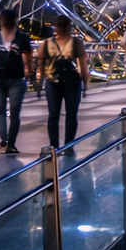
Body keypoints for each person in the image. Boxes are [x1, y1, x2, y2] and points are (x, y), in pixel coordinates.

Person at [0, 9, 33, 154]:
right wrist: (28, 70)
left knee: (2, 112)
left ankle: (6, 141)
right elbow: (28, 54)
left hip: (5, 78)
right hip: (10, 78)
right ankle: (9, 142)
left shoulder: (17, 37)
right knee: (13, 113)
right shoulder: (17, 37)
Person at [38, 15, 90, 150]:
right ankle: (68, 145)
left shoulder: (47, 43)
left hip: (53, 82)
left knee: (53, 115)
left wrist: (39, 82)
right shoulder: (76, 42)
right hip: (72, 82)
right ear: (69, 27)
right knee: (71, 115)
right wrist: (85, 82)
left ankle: (54, 145)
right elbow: (83, 64)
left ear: (56, 27)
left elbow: (41, 63)